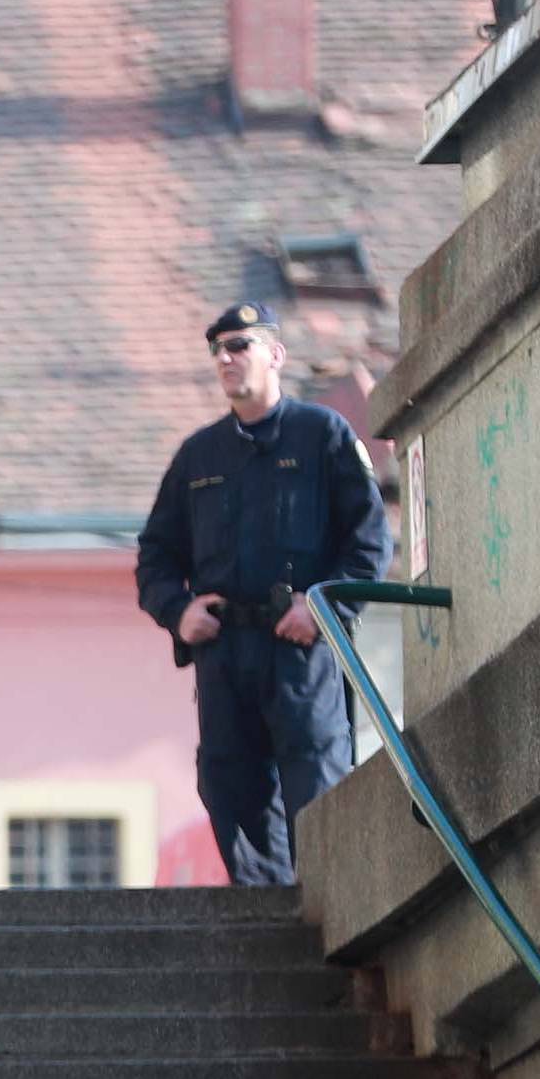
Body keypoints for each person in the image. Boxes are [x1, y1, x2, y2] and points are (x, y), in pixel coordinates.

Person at [135, 301, 392, 886]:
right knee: (230, 785)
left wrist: (326, 608)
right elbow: (156, 554)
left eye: (239, 345)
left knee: (316, 781)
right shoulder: (199, 456)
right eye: (218, 350)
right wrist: (178, 612)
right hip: (226, 654)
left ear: (275, 354)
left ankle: (327, 907)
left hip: (300, 648)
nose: (226, 358)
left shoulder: (321, 435)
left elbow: (369, 541)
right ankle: (265, 908)